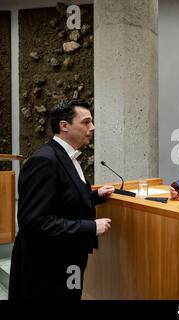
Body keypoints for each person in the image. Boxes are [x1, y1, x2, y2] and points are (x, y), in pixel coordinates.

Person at [9, 99, 114, 301]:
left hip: (67, 259)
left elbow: (62, 197)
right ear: (64, 126)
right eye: (86, 122)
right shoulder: (44, 161)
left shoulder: (66, 157)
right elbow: (33, 223)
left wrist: (96, 195)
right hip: (46, 266)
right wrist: (90, 227)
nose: (92, 128)